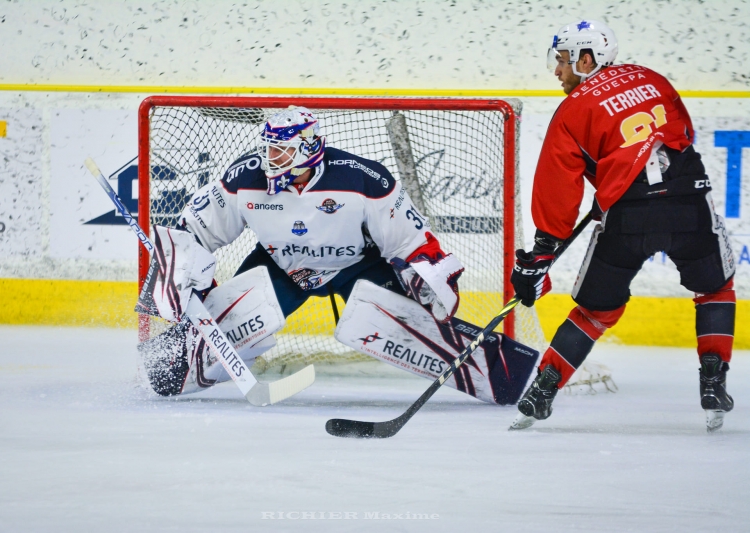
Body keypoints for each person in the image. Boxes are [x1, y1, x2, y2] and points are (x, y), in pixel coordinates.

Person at [141, 106, 466, 396]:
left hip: (356, 264)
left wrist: (428, 276)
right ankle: (173, 363)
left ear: (308, 149)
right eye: (268, 149)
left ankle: (468, 359)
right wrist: (182, 269)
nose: (270, 158)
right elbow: (196, 228)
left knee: (409, 325)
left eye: (281, 151)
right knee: (227, 328)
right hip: (282, 266)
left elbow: (410, 240)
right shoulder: (246, 177)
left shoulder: (363, 179)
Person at [509, 20, 736, 431]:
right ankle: (713, 379)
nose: (556, 71)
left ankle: (544, 389)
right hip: (689, 203)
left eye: (562, 61)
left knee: (597, 311)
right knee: (715, 288)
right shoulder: (651, 78)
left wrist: (543, 249)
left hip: (629, 216)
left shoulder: (572, 110)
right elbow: (682, 134)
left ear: (586, 59)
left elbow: (557, 186)